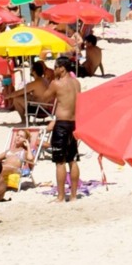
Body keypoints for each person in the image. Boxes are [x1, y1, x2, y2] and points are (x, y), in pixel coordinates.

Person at [42, 59, 83, 202]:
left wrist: (49, 81)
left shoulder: (56, 83)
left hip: (62, 124)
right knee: (72, 159)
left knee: (60, 161)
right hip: (74, 123)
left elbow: (45, 97)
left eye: (55, 67)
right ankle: (73, 196)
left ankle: (60, 197)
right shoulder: (77, 83)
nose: (54, 70)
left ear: (62, 69)